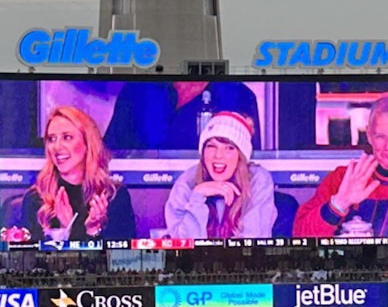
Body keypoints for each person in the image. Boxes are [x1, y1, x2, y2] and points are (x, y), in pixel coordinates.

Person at [293, 94, 388, 237]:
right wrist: (338, 203)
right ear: (369, 135)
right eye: (380, 136)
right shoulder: (343, 178)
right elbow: (300, 236)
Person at [19, 106, 136, 241]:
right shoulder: (36, 199)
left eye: (67, 137)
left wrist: (92, 231)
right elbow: (31, 258)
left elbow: (124, 258)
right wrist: (64, 230)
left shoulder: (113, 197)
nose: (57, 147)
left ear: (87, 144)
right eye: (51, 139)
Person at [165, 112, 277, 238]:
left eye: (229, 148)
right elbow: (182, 248)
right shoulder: (187, 181)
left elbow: (251, 246)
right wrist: (197, 197)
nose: (218, 155)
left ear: (241, 156)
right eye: (211, 146)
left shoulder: (257, 179)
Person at [103, 80, 262, 151]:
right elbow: (108, 155)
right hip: (140, 202)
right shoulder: (137, 89)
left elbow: (248, 168)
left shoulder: (239, 96)